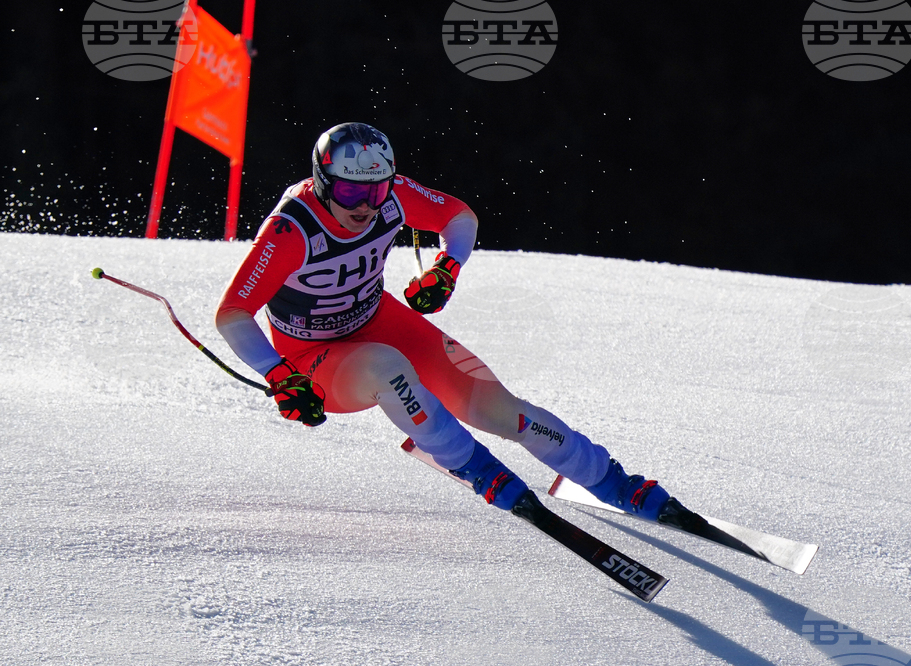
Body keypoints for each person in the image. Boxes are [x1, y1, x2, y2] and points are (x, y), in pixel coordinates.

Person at [216, 122, 696, 524]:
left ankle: (610, 480)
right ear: (322, 182)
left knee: (501, 411)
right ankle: (476, 467)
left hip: (379, 320)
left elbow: (460, 218)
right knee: (386, 368)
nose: (364, 204)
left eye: (376, 188)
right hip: (316, 358)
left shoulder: (394, 199)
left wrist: (448, 267)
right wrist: (278, 374)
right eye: (348, 189)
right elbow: (233, 313)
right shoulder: (291, 231)